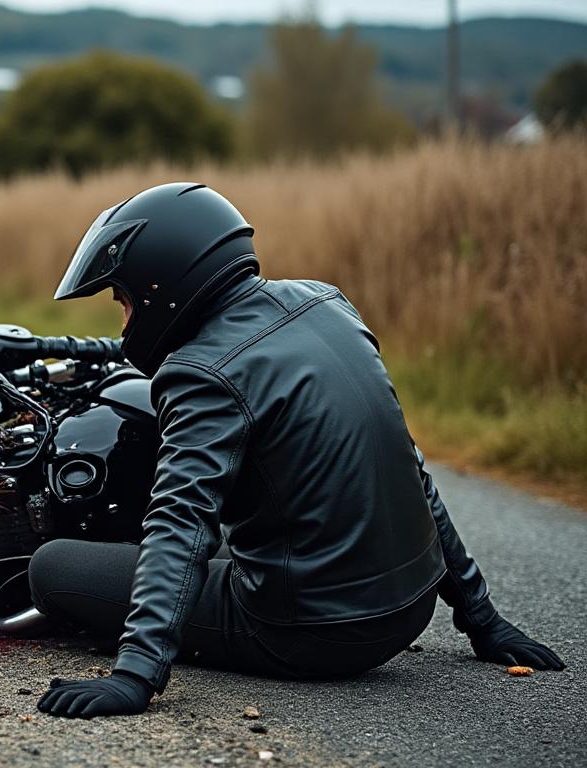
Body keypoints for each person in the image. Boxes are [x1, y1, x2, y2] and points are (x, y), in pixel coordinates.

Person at [29, 182, 565, 720]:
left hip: (309, 634)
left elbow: (181, 523)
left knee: (52, 567)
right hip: (409, 608)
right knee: (216, 546)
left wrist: (135, 675)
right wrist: (482, 618)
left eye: (122, 302)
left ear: (160, 288)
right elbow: (409, 471)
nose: (123, 322)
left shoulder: (200, 375)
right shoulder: (327, 305)